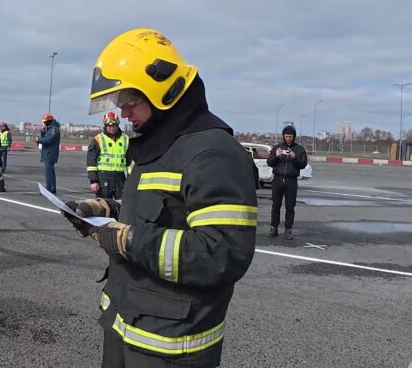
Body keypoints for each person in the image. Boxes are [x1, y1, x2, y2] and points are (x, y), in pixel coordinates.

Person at [63, 28, 257, 368]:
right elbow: (157, 215)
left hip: (170, 347)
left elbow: (222, 253)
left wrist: (129, 241)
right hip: (127, 326)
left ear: (162, 89)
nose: (123, 115)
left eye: (129, 101)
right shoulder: (159, 144)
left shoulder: (213, 153)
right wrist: (105, 211)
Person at [266, 125, 307, 240]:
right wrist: (277, 156)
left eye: (290, 136)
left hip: (291, 181)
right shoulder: (277, 147)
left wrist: (294, 157)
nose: (288, 138)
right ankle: (274, 227)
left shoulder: (299, 149)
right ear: (283, 136)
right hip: (277, 180)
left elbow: (302, 164)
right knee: (275, 206)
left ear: (294, 136)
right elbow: (270, 162)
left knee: (290, 207)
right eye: (286, 136)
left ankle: (288, 229)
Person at [86, 111, 129, 199]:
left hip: (120, 178)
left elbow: (130, 161)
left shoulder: (126, 139)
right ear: (105, 126)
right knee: (104, 206)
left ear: (117, 125)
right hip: (103, 178)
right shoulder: (98, 139)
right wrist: (93, 181)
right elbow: (91, 162)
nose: (111, 128)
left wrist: (132, 179)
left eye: (113, 125)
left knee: (122, 205)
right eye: (109, 126)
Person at [36, 113, 60, 193]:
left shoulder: (54, 129)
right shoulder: (49, 129)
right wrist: (43, 132)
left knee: (49, 173)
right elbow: (45, 137)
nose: (44, 123)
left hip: (50, 153)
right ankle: (52, 188)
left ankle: (49, 189)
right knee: (51, 172)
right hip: (48, 152)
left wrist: (39, 140)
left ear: (49, 121)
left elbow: (48, 140)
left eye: (45, 121)